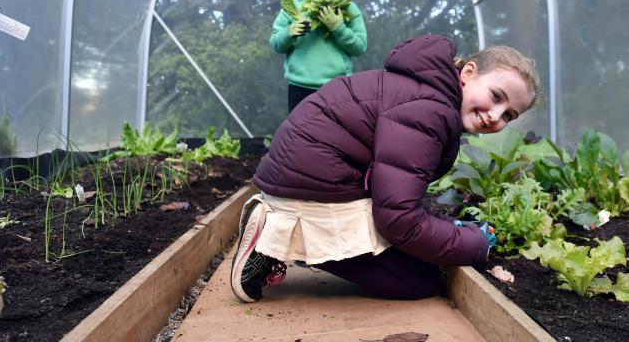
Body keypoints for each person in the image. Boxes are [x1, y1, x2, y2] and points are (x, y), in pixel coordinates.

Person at [231, 35, 541, 303]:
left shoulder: (427, 92)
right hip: (311, 189)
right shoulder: (431, 110)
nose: (495, 116)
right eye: (496, 97)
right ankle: (274, 240)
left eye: (509, 115)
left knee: (418, 262)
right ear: (469, 73)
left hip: (307, 178)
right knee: (418, 280)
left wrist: (449, 228)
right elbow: (398, 219)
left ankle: (279, 230)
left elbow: (398, 192)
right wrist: (472, 245)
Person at [269, 0, 367, 112]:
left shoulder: (349, 8)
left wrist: (338, 27)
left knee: (336, 136)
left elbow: (360, 47)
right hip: (300, 87)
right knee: (301, 135)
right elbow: (275, 43)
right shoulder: (293, 7)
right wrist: (289, 32)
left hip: (339, 87)